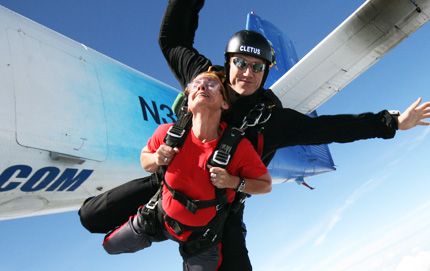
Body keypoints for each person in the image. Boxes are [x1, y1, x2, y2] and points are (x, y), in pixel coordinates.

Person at [79, 0, 430, 270]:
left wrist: (392, 122)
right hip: (170, 183)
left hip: (224, 204)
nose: (248, 72)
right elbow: (172, 39)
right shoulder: (203, 80)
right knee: (91, 217)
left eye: (258, 67)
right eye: (242, 63)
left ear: (265, 72)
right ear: (228, 62)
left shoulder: (272, 121)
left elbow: (331, 128)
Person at [102, 70, 271, 271]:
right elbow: (145, 159)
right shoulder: (167, 133)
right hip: (156, 220)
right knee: (110, 246)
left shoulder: (238, 147)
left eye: (211, 84)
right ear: (188, 102)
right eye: (195, 85)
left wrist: (233, 182)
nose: (201, 87)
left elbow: (266, 185)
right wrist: (156, 158)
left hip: (202, 240)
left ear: (224, 103)